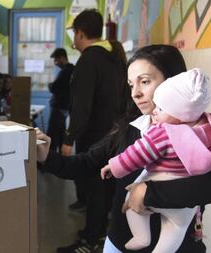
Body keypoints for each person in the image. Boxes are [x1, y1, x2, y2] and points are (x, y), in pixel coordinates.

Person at [36, 44, 211, 253]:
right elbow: (85, 163)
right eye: (131, 85)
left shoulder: (208, 134)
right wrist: (47, 157)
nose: (136, 94)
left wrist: (148, 192)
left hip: (179, 247)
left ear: (175, 81)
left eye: (145, 81)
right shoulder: (130, 129)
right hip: (120, 244)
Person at [101, 68, 211, 252]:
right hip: (185, 204)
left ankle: (141, 236)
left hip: (156, 183)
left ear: (181, 113)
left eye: (162, 108)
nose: (155, 111)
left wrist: (115, 166)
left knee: (130, 201)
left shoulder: (164, 132)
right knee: (176, 229)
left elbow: (138, 153)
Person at [59, 9, 128, 251]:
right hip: (114, 137)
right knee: (105, 189)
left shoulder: (89, 60)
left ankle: (90, 241)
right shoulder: (115, 58)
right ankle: (98, 233)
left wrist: (69, 139)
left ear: (79, 33)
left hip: (94, 139)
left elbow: (82, 106)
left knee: (94, 189)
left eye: (74, 34)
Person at [47, 48, 74, 152]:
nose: (55, 63)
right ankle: (60, 158)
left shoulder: (65, 72)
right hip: (65, 107)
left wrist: (50, 85)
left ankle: (50, 161)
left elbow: (54, 88)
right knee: (60, 133)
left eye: (56, 60)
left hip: (59, 107)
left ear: (62, 58)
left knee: (53, 134)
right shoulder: (72, 70)